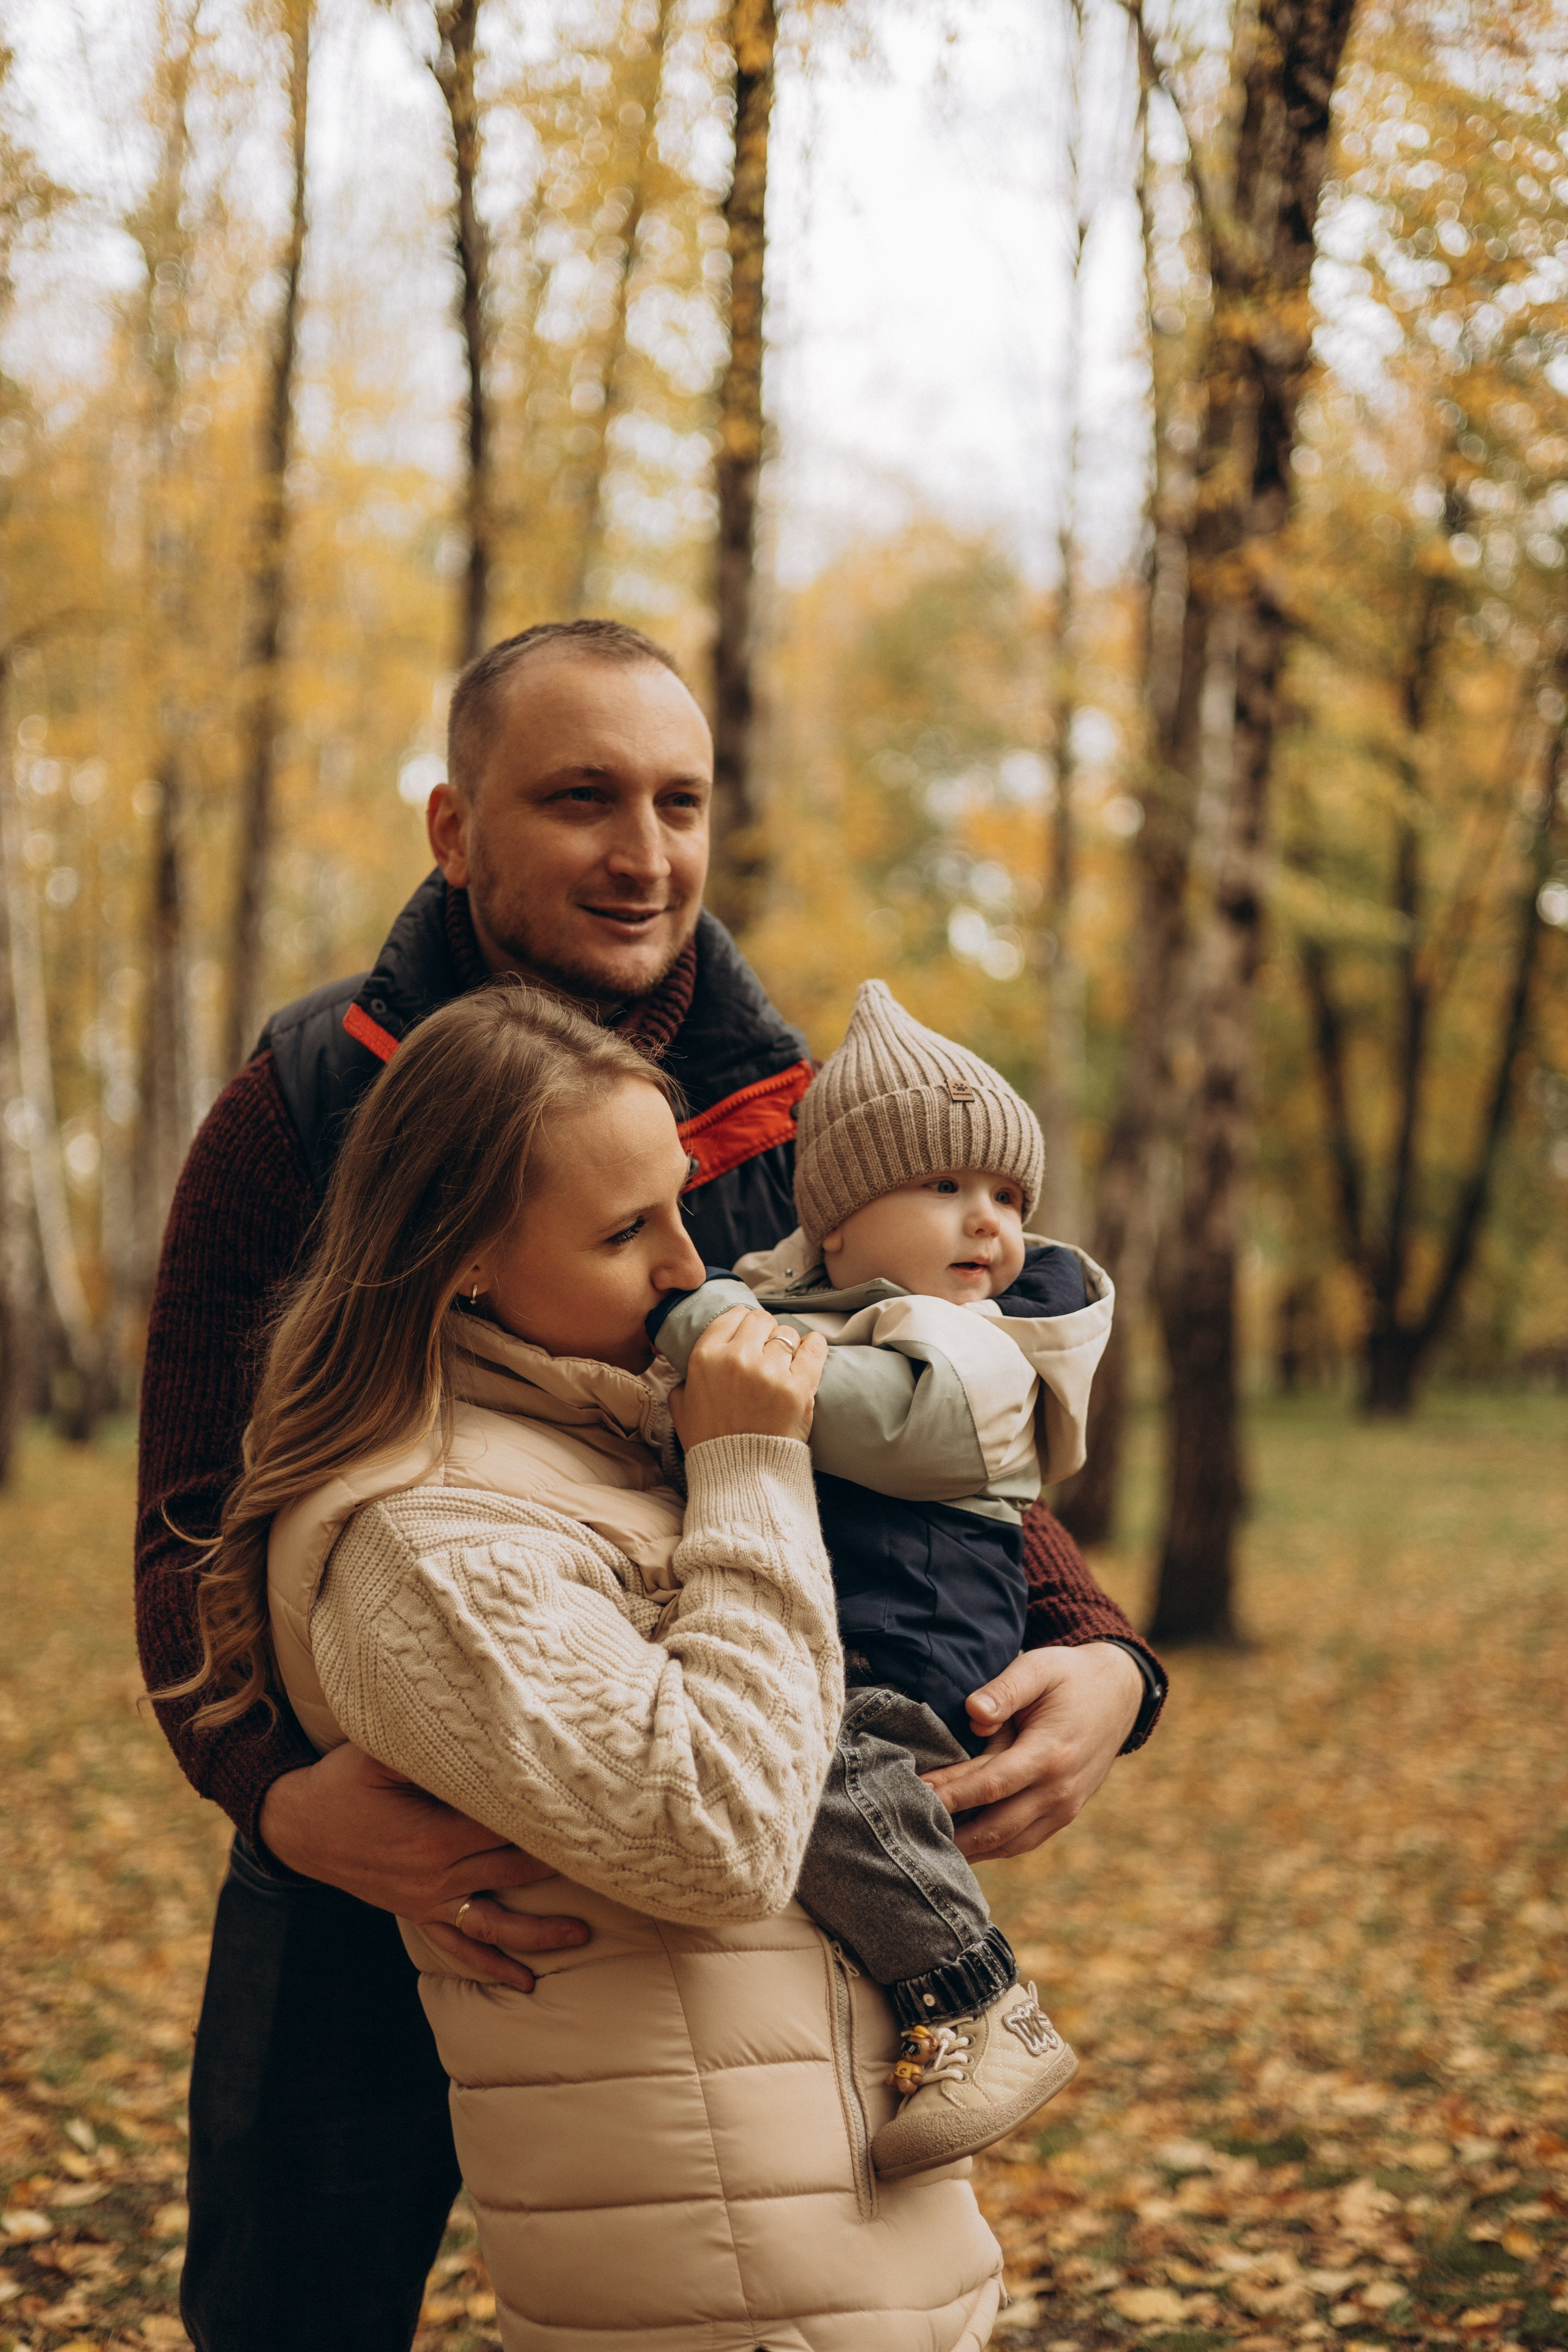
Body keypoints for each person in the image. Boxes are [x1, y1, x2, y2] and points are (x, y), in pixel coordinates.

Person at [134, 618, 1166, 2351]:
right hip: (386, 1832)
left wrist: (1103, 1653)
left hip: (705, 1818)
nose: (646, 853)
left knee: (736, 2261)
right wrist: (270, 1789)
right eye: (582, 799)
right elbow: (188, 1508)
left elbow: (920, 1410)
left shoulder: (798, 1124)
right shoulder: (306, 1103)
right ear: (454, 831)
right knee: (288, 2294)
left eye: (680, 800)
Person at [170, 982, 1008, 2348]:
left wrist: (1098, 1656)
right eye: (627, 1231)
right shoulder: (424, 1537)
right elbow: (716, 1833)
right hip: (718, 2276)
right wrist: (747, 1463)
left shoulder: (609, 1433)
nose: (691, 1266)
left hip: (841, 2217)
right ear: (462, 1261)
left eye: (681, 1203)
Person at [650, 981, 1117, 2180]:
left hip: (926, 1610)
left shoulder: (976, 1339)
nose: (989, 1226)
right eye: (946, 1190)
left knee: (813, 1768)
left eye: (1008, 1197)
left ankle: (974, 1994)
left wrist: (712, 1325)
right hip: (870, 1600)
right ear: (838, 1227)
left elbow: (882, 1426)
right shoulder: (838, 1301)